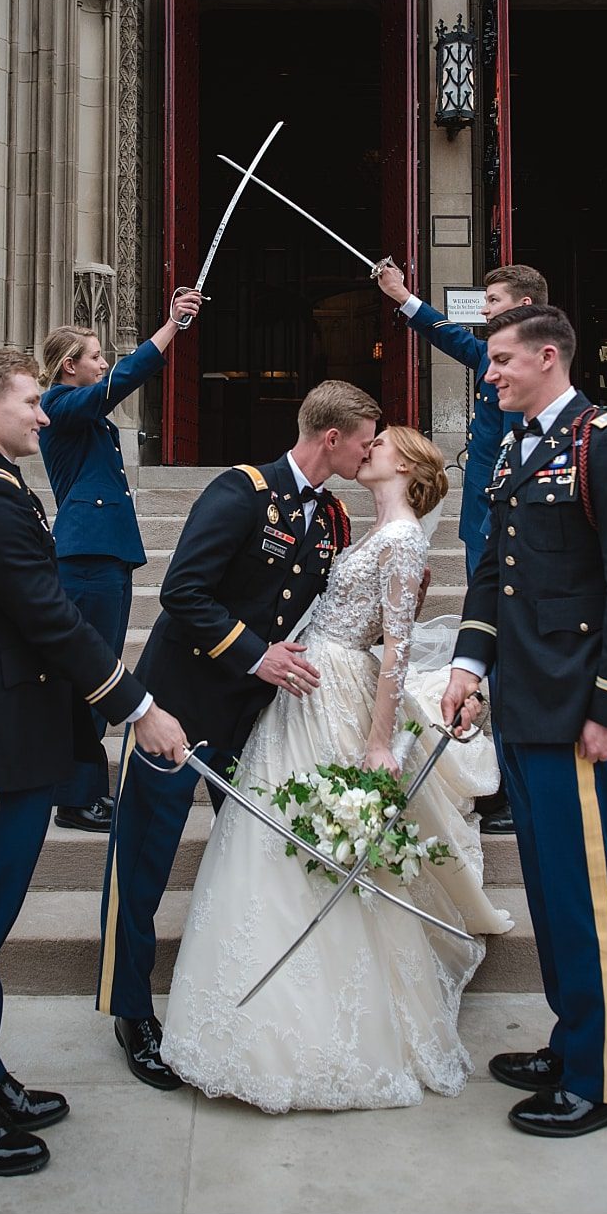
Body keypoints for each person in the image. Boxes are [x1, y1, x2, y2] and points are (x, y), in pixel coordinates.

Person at [160, 426, 514, 1112]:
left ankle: (323, 1024)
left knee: (314, 837)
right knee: (274, 838)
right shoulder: (367, 529)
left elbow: (400, 650)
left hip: (341, 694)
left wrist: (381, 742)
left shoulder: (405, 539)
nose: (369, 448)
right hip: (306, 685)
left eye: (382, 444)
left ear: (405, 465)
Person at [0, 347, 188, 1177]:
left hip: (13, 732)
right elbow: (47, 617)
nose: (44, 413)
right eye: (32, 401)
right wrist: (137, 706)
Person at [96, 380, 374, 1090]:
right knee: (144, 863)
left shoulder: (337, 519)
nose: (372, 452)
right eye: (366, 439)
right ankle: (130, 1009)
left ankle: (241, 998)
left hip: (255, 721)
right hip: (179, 709)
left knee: (255, 864)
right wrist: (257, 653)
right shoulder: (242, 491)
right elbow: (183, 592)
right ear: (331, 438)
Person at [442, 304, 607, 1139]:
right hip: (524, 703)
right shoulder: (514, 443)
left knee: (586, 896)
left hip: (576, 710)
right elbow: (495, 573)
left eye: (500, 360)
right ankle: (573, 1042)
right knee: (548, 887)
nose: (489, 372)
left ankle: (605, 1081)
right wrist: (469, 666)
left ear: (546, 356)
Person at [377, 262, 546, 837]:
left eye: (494, 300)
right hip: (483, 527)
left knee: (507, 649)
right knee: (488, 640)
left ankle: (514, 790)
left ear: (524, 304)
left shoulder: (527, 370)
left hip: (511, 532)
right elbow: (449, 334)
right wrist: (403, 299)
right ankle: (504, 783)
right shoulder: (494, 358)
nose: (485, 308)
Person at [37, 287, 203, 833]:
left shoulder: (78, 413)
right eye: (95, 355)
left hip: (103, 553)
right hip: (87, 553)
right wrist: (171, 327)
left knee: (98, 667)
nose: (103, 362)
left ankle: (78, 790)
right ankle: (78, 797)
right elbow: (118, 384)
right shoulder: (60, 405)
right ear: (69, 366)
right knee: (93, 672)